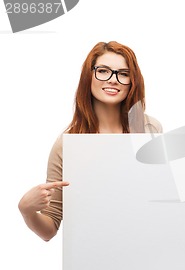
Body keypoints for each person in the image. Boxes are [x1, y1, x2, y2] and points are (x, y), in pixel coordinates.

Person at [18, 41, 163, 241]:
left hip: (145, 247)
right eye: (103, 71)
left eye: (123, 73)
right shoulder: (67, 143)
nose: (113, 80)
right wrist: (27, 211)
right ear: (89, 76)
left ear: (133, 81)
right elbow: (50, 227)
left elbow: (159, 200)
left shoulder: (150, 130)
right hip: (90, 257)